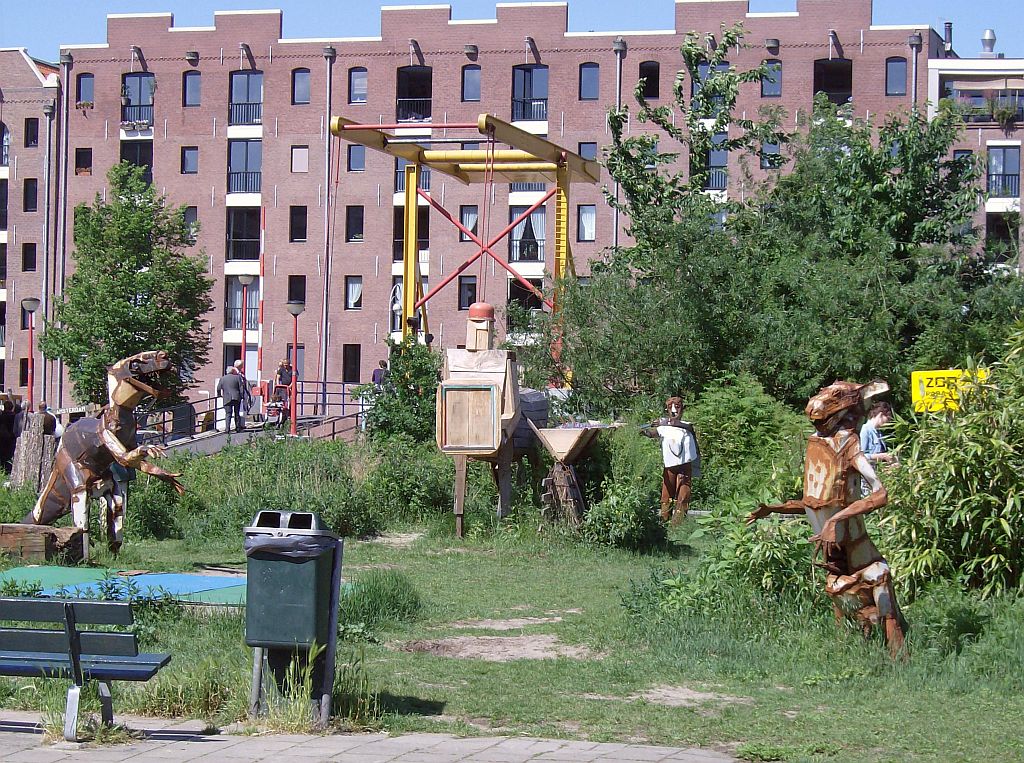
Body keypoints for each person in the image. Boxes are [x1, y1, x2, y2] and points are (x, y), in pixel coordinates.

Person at [642, 396, 701, 525]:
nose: (674, 411)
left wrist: (665, 422)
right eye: (670, 408)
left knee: (683, 494)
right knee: (666, 493)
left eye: (677, 407)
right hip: (669, 466)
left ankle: (677, 524)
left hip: (684, 466)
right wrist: (644, 432)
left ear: (682, 409)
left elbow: (682, 425)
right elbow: (654, 433)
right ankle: (664, 520)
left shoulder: (686, 425)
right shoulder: (664, 426)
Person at [860, 401, 894, 466]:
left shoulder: (879, 432)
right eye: (888, 419)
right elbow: (861, 457)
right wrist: (881, 456)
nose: (888, 422)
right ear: (881, 415)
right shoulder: (865, 430)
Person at [216, 366, 246, 433]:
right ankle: (238, 428)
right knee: (237, 413)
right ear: (232, 371)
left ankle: (227, 429)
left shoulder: (222, 379)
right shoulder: (237, 377)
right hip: (236, 397)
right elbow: (241, 388)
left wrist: (219, 395)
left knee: (228, 414)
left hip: (227, 398)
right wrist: (242, 396)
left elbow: (218, 388)